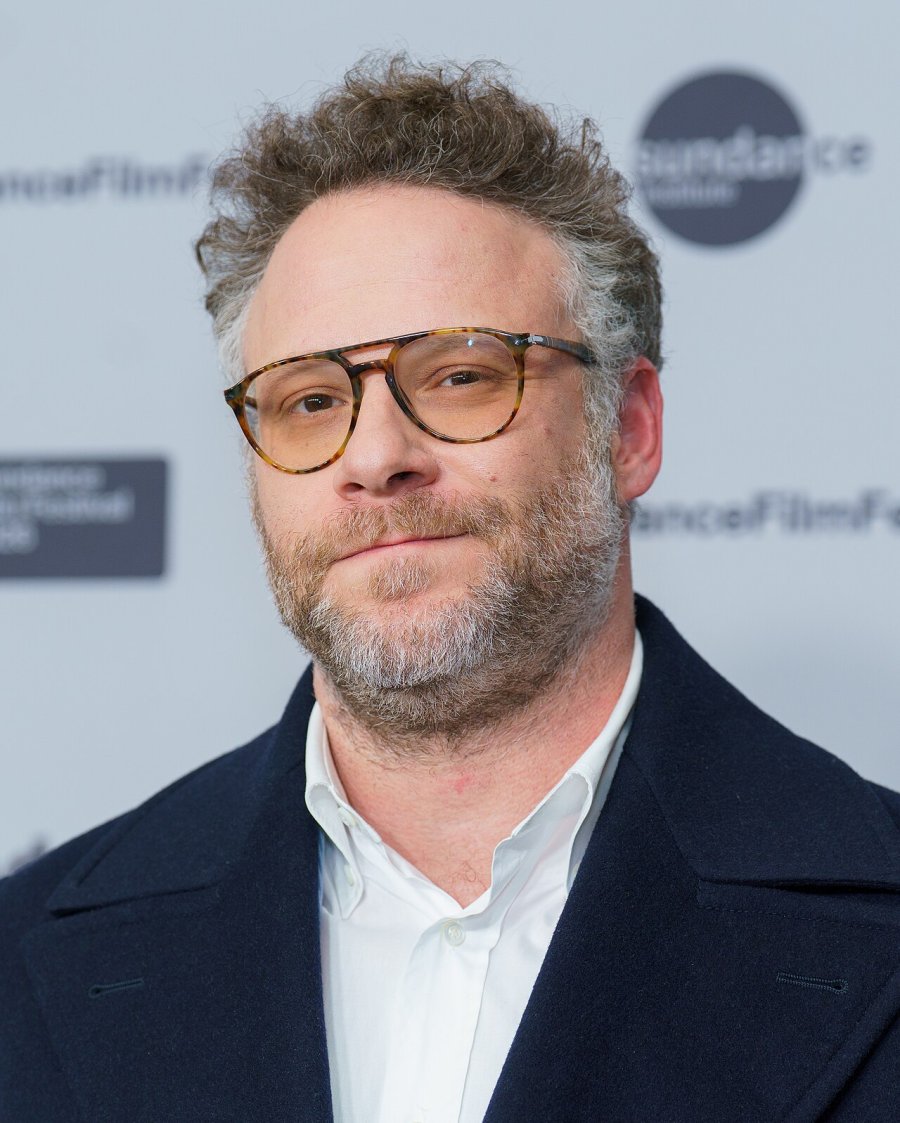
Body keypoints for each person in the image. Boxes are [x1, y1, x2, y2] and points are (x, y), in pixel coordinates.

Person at [2, 56, 899, 1123]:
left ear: (628, 429)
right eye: (308, 399)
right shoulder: (24, 960)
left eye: (461, 376)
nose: (376, 456)